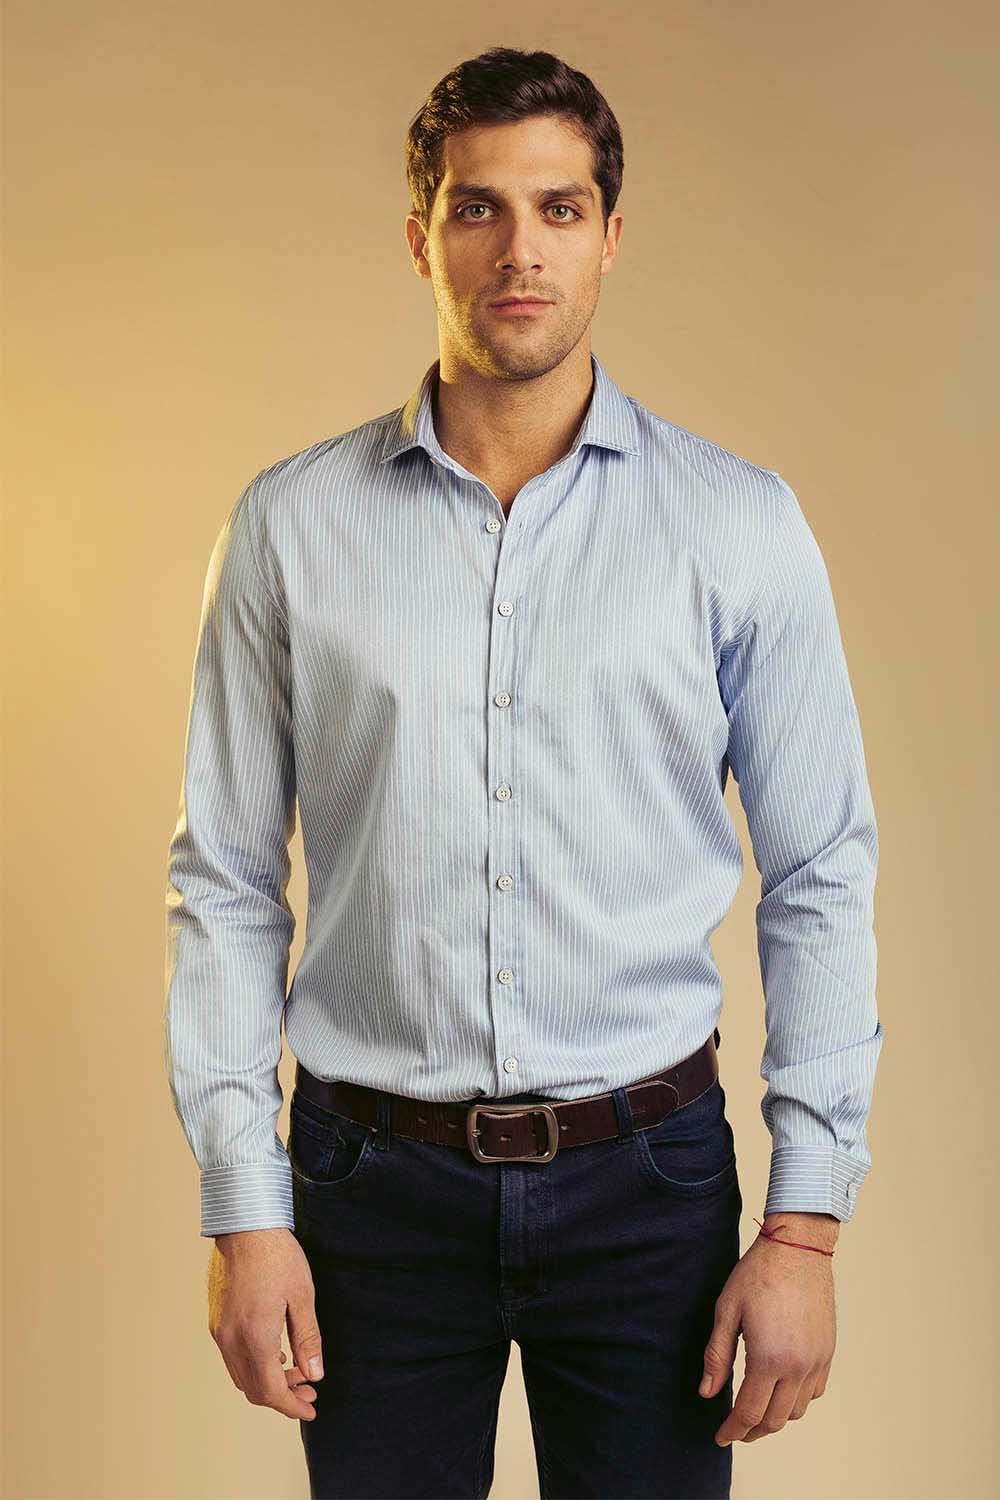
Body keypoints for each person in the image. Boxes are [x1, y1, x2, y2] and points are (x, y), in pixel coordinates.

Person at [163, 44, 884, 1500]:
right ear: (420, 235)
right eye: (479, 207)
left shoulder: (736, 526)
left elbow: (820, 873)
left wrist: (804, 1229)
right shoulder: (290, 526)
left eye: (559, 208)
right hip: (368, 1191)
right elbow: (227, 878)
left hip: (649, 1184)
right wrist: (245, 1208)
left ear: (612, 235)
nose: (520, 251)